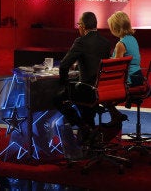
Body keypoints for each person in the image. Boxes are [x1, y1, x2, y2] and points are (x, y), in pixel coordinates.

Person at [53, 12, 111, 143]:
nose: (78, 27)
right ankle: (89, 136)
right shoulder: (105, 43)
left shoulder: (81, 41)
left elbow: (63, 65)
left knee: (58, 99)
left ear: (84, 26)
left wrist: (64, 85)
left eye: (79, 24)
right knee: (85, 107)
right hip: (101, 90)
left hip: (87, 91)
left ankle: (83, 127)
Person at [104, 11, 144, 126]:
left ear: (116, 28)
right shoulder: (132, 39)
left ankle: (116, 117)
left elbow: (116, 68)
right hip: (138, 78)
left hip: (128, 81)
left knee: (99, 92)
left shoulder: (120, 44)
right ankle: (116, 116)